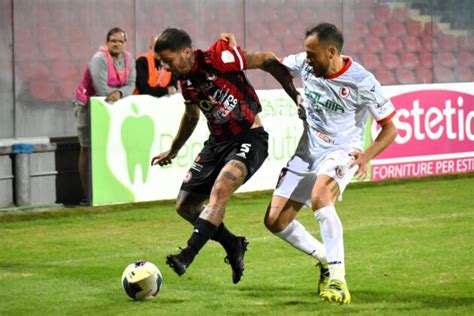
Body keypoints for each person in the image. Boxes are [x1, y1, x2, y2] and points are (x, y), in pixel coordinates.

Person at [258, 23, 397, 304]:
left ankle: (338, 280)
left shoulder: (362, 81)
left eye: (312, 54)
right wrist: (235, 57)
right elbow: (273, 63)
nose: (306, 60)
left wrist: (367, 155)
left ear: (331, 51)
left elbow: (390, 128)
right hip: (307, 152)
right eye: (306, 54)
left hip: (342, 151)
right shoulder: (306, 64)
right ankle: (324, 258)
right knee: (275, 221)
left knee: (320, 195)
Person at [150, 28, 300, 284]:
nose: (165, 67)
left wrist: (295, 95)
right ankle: (233, 244)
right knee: (185, 206)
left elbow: (266, 59)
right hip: (216, 144)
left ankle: (187, 255)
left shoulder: (217, 58)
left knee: (220, 189)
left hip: (249, 138)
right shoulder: (185, 81)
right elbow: (191, 115)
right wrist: (174, 149)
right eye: (161, 62)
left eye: (168, 60)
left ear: (185, 52)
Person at [73, 27, 136, 205]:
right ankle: (89, 195)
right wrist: (118, 94)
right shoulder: (99, 59)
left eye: (120, 41)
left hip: (109, 107)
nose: (116, 44)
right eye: (113, 41)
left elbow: (132, 84)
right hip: (86, 105)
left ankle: (105, 192)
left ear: (125, 43)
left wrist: (120, 94)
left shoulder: (129, 59)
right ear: (107, 43)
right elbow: (101, 89)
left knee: (107, 148)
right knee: (87, 147)